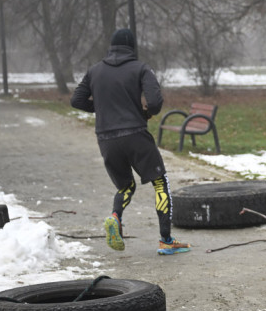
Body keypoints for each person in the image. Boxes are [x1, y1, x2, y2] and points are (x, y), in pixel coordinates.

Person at [70, 28, 190, 256]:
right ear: (131, 47)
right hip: (135, 134)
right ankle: (166, 240)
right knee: (159, 182)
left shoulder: (95, 70)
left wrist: (103, 108)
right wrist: (144, 113)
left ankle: (115, 216)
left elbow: (76, 100)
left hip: (106, 138)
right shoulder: (140, 68)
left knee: (125, 186)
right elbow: (155, 101)